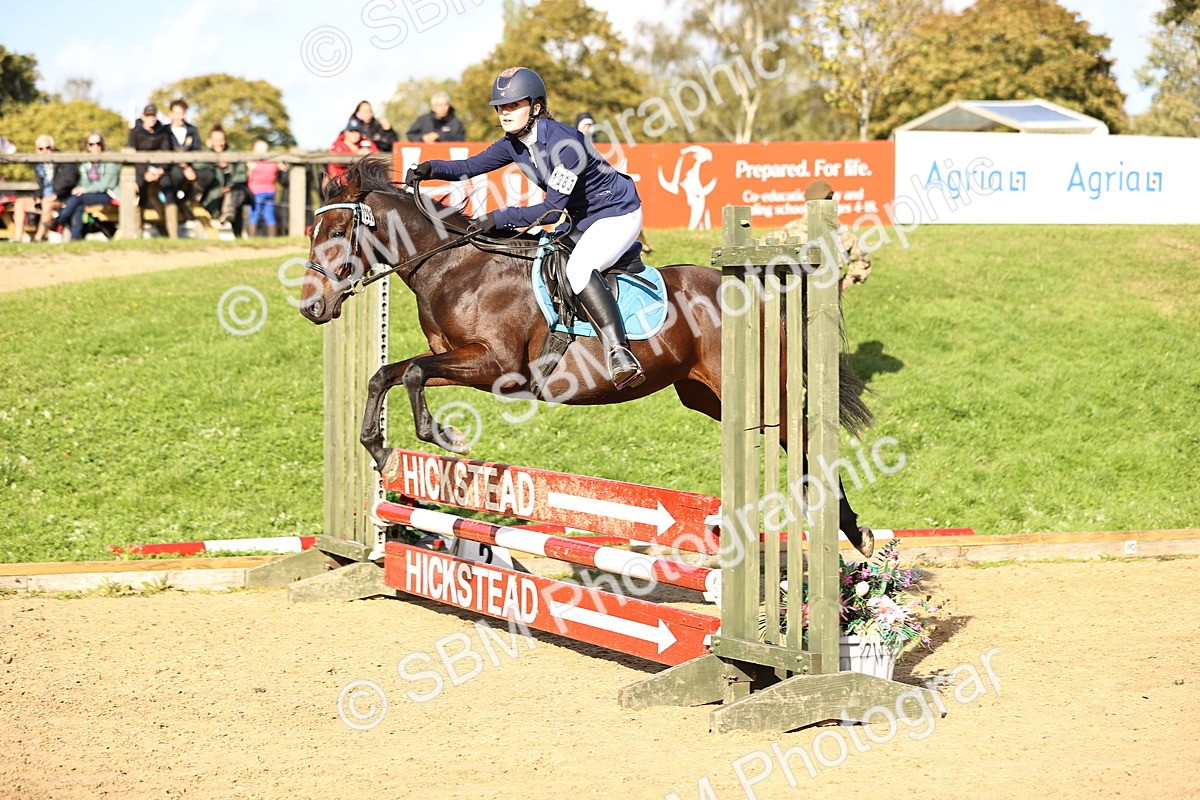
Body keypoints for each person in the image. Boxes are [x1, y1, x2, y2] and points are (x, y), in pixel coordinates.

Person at [405, 67, 645, 390]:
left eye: (513, 105)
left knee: (578, 270)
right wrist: (430, 168)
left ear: (535, 107)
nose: (505, 113)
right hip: (584, 219)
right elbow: (471, 166)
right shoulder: (514, 144)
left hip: (617, 214)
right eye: (501, 107)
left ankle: (620, 353)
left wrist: (497, 218)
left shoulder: (564, 143)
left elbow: (550, 211)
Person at [14, 135, 78, 242]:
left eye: (48, 148)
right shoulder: (38, 164)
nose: (45, 151)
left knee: (47, 204)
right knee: (20, 203)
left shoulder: (64, 160)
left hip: (62, 199)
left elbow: (69, 181)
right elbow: (41, 185)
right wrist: (37, 197)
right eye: (41, 149)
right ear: (36, 150)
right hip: (44, 198)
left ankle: (38, 238)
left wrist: (56, 194)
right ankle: (17, 237)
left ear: (53, 148)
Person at [58, 132, 118, 242]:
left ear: (102, 144)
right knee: (78, 203)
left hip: (109, 194)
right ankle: (75, 238)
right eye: (91, 144)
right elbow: (83, 183)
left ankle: (59, 220)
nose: (95, 147)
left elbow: (107, 184)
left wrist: (85, 190)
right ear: (87, 146)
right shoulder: (85, 163)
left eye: (98, 143)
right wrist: (80, 189)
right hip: (89, 195)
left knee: (78, 198)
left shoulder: (111, 160)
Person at [193, 126, 251, 235]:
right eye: (215, 141)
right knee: (203, 215)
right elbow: (197, 165)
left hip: (232, 193)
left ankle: (229, 214)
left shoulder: (234, 154)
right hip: (212, 194)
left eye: (221, 140)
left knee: (237, 193)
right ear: (210, 141)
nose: (219, 143)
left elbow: (242, 174)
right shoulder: (206, 154)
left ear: (225, 140)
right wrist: (207, 151)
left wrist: (230, 187)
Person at [246, 141, 280, 237]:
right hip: (270, 190)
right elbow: (275, 177)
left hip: (255, 191)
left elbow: (248, 176)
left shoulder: (253, 163)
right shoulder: (272, 163)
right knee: (270, 216)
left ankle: (251, 239)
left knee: (254, 216)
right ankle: (272, 239)